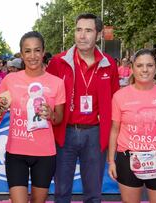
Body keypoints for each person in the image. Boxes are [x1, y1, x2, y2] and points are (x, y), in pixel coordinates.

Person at [46, 13, 119, 203]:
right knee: (61, 192)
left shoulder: (109, 64)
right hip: (65, 132)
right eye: (79, 30)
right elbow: (45, 92)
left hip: (95, 134)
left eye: (88, 30)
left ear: (99, 34)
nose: (82, 35)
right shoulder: (57, 62)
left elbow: (115, 101)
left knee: (93, 193)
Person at [107, 49, 156, 203]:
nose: (144, 69)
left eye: (149, 65)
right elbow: (115, 130)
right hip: (127, 160)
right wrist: (111, 161)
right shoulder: (119, 96)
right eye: (139, 65)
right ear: (132, 68)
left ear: (155, 68)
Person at [0, 31, 65, 203]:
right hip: (16, 152)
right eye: (27, 51)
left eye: (37, 50)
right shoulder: (10, 80)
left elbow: (59, 119)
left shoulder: (57, 83)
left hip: (44, 154)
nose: (32, 56)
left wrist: (50, 114)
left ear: (43, 52)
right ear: (21, 54)